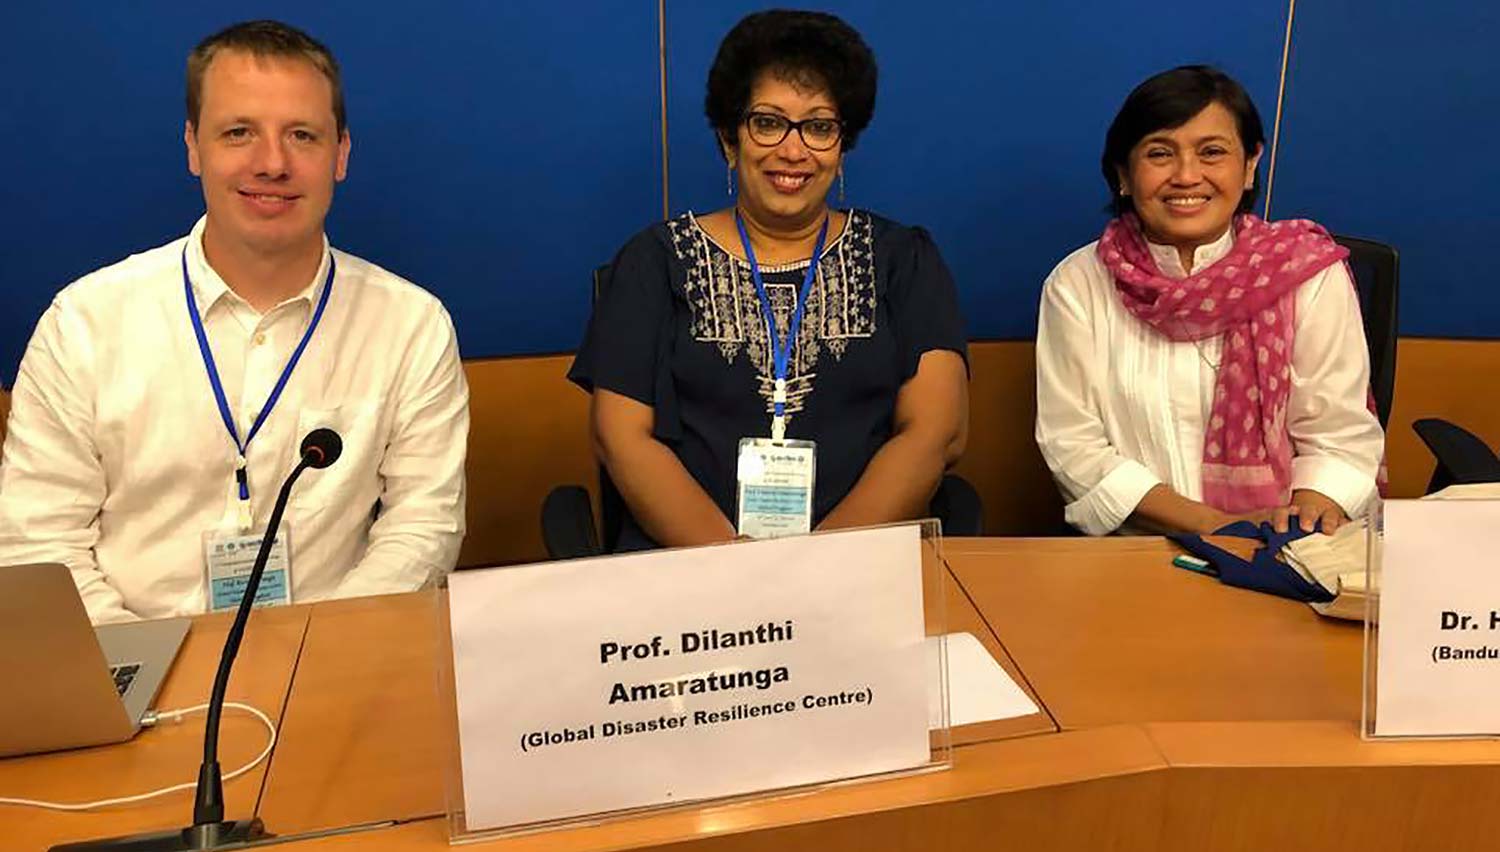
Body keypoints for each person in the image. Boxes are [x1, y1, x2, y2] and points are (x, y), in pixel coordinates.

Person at [0, 20, 468, 622]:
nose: (272, 163)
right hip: (132, 672)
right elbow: (38, 543)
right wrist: (152, 671)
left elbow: (423, 528)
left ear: (341, 154)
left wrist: (317, 651)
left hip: (334, 660)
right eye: (239, 132)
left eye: (302, 135)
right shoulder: (84, 325)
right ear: (193, 146)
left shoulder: (411, 326)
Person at [569, 10, 969, 550]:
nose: (793, 150)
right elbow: (619, 437)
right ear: (729, 140)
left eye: (819, 126)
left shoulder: (903, 261)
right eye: (768, 122)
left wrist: (819, 566)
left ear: (842, 146)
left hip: (860, 570)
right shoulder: (654, 262)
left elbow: (935, 432)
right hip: (688, 574)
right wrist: (743, 576)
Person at [1035, 65, 1383, 537]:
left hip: (1289, 546)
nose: (1186, 176)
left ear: (1249, 166)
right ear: (1123, 173)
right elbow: (1073, 446)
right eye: (1160, 153)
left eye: (1212, 152)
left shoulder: (1307, 274)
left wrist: (1294, 525)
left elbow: (1338, 436)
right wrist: (1219, 528)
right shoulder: (1078, 283)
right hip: (1136, 557)